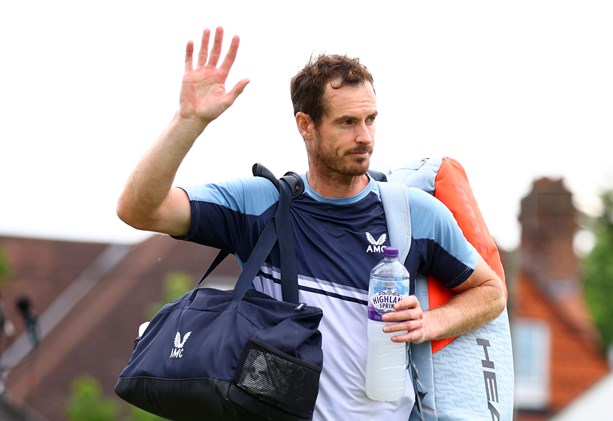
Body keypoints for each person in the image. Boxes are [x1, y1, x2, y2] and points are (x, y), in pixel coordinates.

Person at [117, 27, 506, 420]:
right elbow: (140, 210)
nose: (365, 137)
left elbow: (491, 291)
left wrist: (429, 321)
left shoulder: (413, 215)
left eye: (371, 119)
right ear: (306, 125)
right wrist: (188, 121)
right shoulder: (261, 203)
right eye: (347, 122)